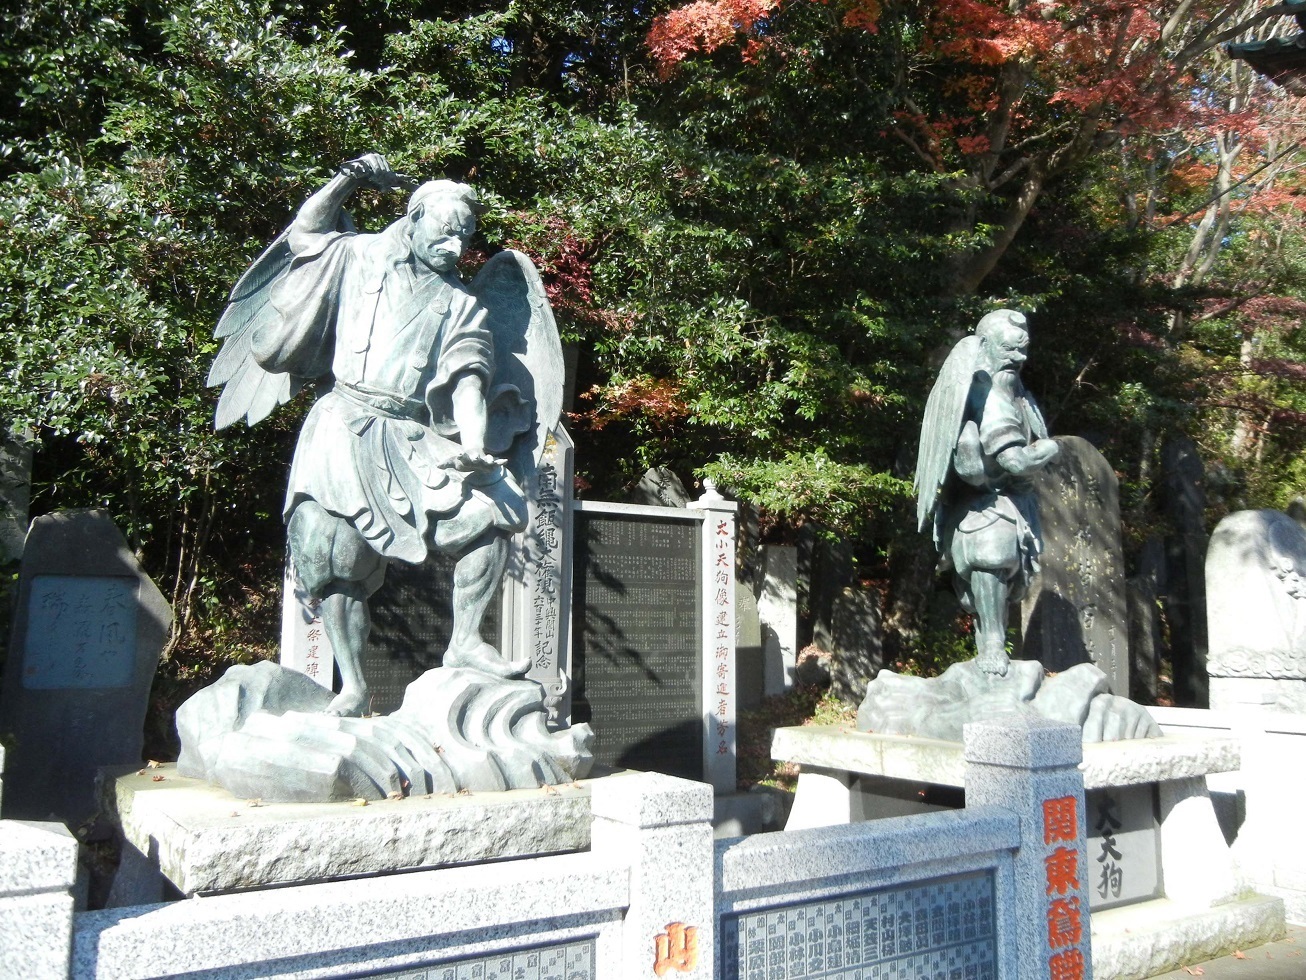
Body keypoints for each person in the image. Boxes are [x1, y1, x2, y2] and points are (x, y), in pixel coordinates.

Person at [223, 153, 534, 715]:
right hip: (341, 424)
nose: (455, 248)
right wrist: (348, 179)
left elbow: (468, 380)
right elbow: (307, 232)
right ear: (413, 219)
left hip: (409, 435)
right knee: (332, 558)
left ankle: (466, 641)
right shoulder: (358, 255)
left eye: (464, 238)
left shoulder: (462, 305)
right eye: (445, 232)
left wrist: (473, 443)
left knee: (488, 519)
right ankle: (354, 685)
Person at [917, 309, 1059, 675]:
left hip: (1011, 501)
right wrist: (1050, 448)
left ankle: (992, 645)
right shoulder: (990, 392)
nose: (1019, 357)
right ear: (986, 347)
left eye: (1023, 349)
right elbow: (1016, 460)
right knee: (990, 559)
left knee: (1002, 574)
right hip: (984, 505)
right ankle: (993, 646)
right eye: (1010, 349)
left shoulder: (1017, 393)